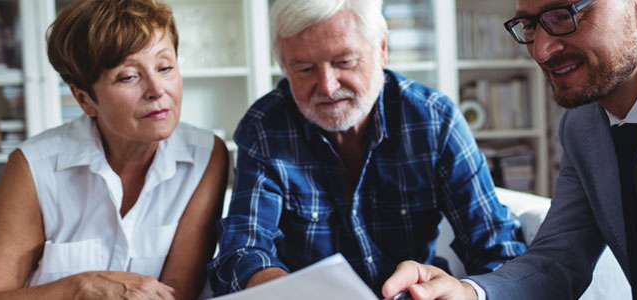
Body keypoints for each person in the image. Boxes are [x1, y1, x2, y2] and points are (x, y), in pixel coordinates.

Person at [383, 0, 637, 299]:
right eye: (530, 26)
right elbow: (558, 260)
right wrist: (468, 293)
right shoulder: (582, 123)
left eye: (565, 16)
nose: (541, 50)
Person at [208, 0, 526, 296]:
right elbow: (242, 250)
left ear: (382, 50)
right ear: (285, 68)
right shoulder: (264, 127)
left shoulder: (434, 120)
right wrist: (284, 291)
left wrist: (463, 291)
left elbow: (498, 249)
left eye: (344, 61)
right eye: (304, 69)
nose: (328, 86)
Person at [0, 0, 229, 299]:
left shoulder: (206, 155)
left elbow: (177, 294)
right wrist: (77, 288)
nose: (157, 89)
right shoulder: (34, 167)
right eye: (128, 77)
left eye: (165, 67)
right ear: (85, 100)